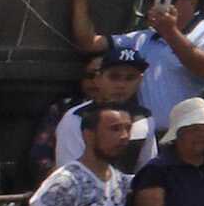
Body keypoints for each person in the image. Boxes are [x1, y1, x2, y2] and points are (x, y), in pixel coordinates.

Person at [67, 0, 204, 143]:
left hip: (189, 139)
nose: (164, 3)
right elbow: (89, 43)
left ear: (193, 2)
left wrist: (170, 32)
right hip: (148, 137)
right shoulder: (143, 38)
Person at [46, 43, 149, 177]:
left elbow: (147, 171)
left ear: (140, 80)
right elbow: (69, 173)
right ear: (98, 79)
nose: (121, 85)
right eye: (114, 77)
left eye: (130, 78)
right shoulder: (76, 117)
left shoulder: (145, 118)